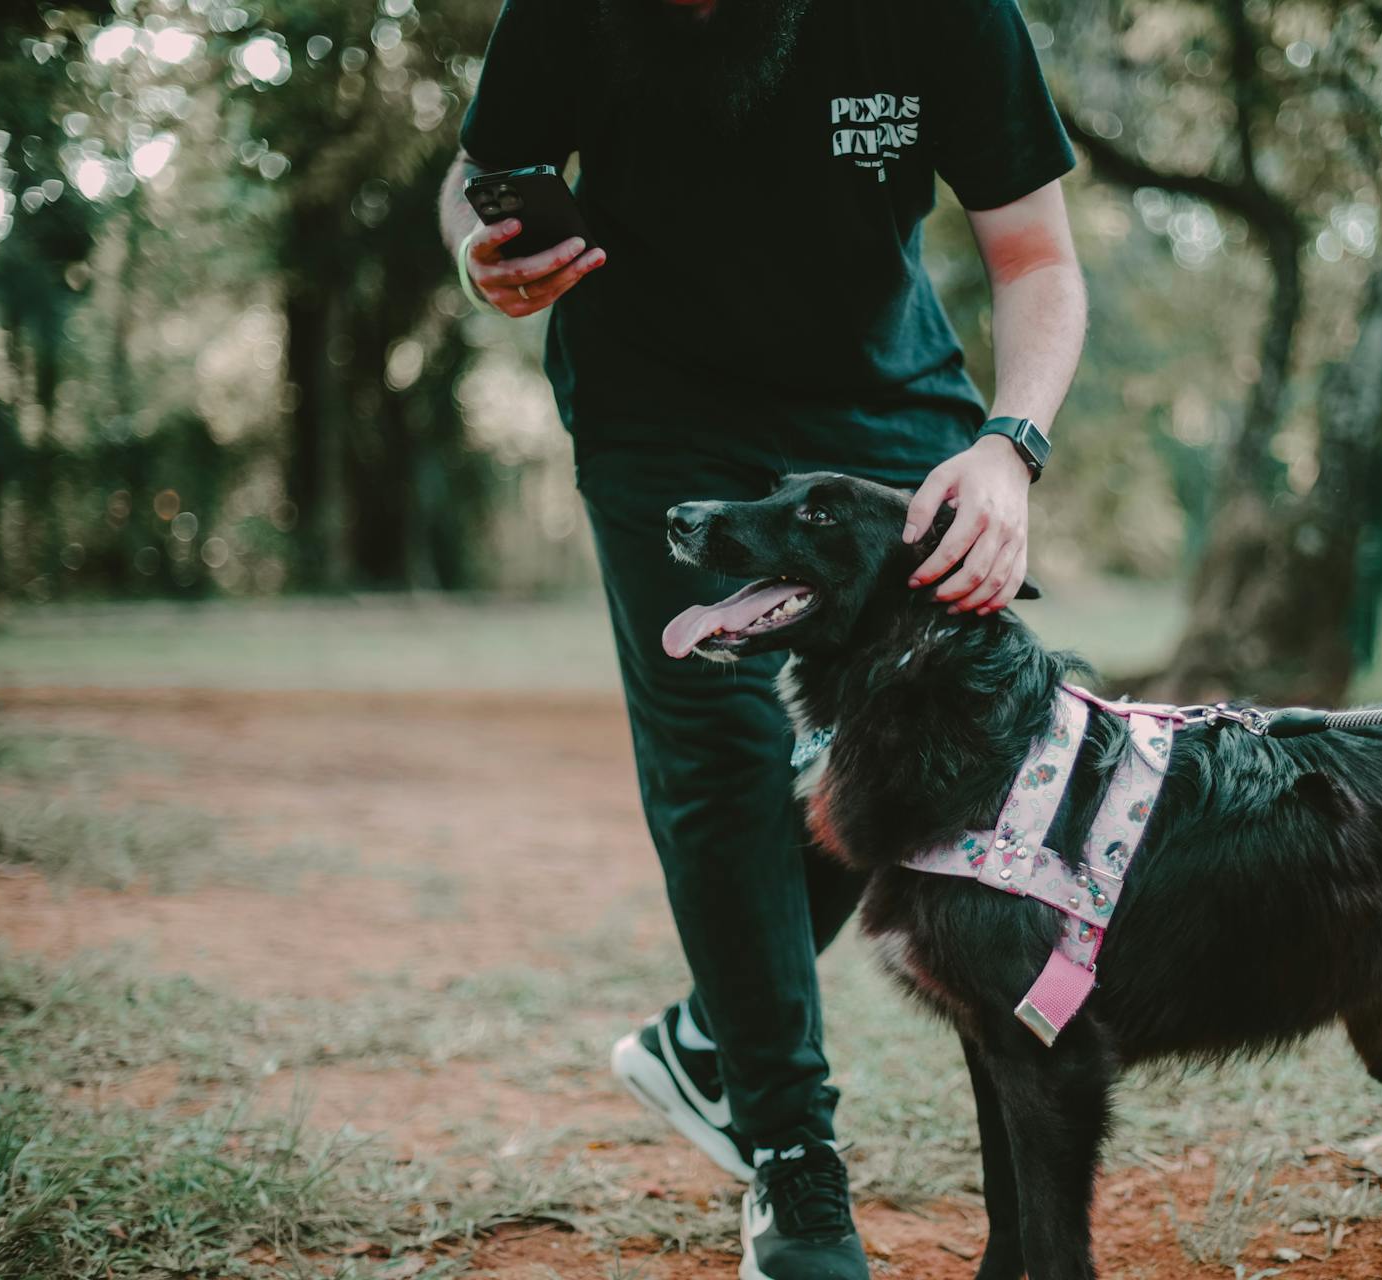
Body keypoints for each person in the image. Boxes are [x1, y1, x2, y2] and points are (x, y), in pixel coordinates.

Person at [437, 1, 1085, 1275]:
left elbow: (1037, 260)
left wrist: (1010, 450)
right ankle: (792, 1153)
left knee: (934, 723)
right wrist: (479, 249)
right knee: (726, 763)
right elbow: (479, 171)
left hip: (890, 406)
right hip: (659, 412)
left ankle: (712, 1039)